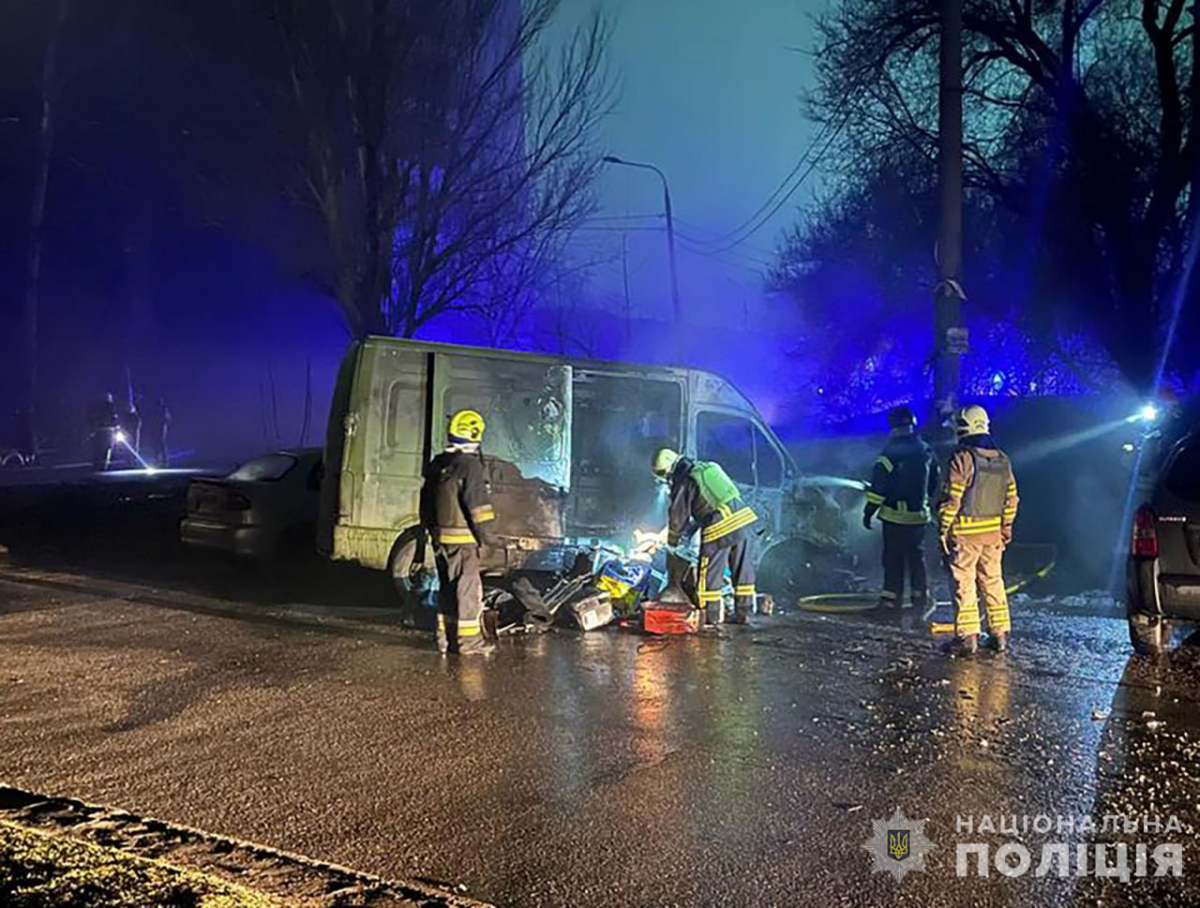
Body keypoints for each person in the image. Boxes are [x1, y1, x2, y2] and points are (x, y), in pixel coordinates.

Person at [938, 405, 1019, 655]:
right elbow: (1012, 498)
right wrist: (1005, 528)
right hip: (993, 536)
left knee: (965, 584)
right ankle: (1000, 635)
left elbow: (953, 499)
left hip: (965, 535)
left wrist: (943, 529)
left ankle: (967, 638)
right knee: (993, 582)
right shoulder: (1002, 459)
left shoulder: (962, 457)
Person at [420, 409, 498, 656]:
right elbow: (479, 509)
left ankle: (445, 639)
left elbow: (426, 502)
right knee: (467, 591)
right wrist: (488, 539)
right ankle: (469, 643)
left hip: (441, 539)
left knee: (447, 588)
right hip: (464, 541)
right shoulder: (470, 466)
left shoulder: (440, 463)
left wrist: (431, 532)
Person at [652, 448, 758, 626]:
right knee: (743, 572)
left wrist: (672, 543)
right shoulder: (708, 467)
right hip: (745, 520)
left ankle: (711, 617)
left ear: (669, 470)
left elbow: (677, 518)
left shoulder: (685, 480)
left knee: (709, 574)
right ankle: (745, 614)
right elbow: (713, 499)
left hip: (720, 525)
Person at [863, 405, 940, 614]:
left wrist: (869, 510)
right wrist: (924, 501)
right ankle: (920, 601)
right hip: (919, 518)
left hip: (895, 518)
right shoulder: (926, 450)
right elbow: (934, 481)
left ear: (893, 427)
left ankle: (890, 603)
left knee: (893, 560)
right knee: (917, 560)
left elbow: (879, 486)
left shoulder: (890, 453)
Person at [86, 391, 119, 471]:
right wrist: (116, 426)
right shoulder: (109, 407)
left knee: (103, 448)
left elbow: (113, 418)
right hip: (105, 431)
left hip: (105, 430)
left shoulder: (106, 407)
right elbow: (113, 418)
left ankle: (100, 464)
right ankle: (102, 464)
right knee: (105, 448)